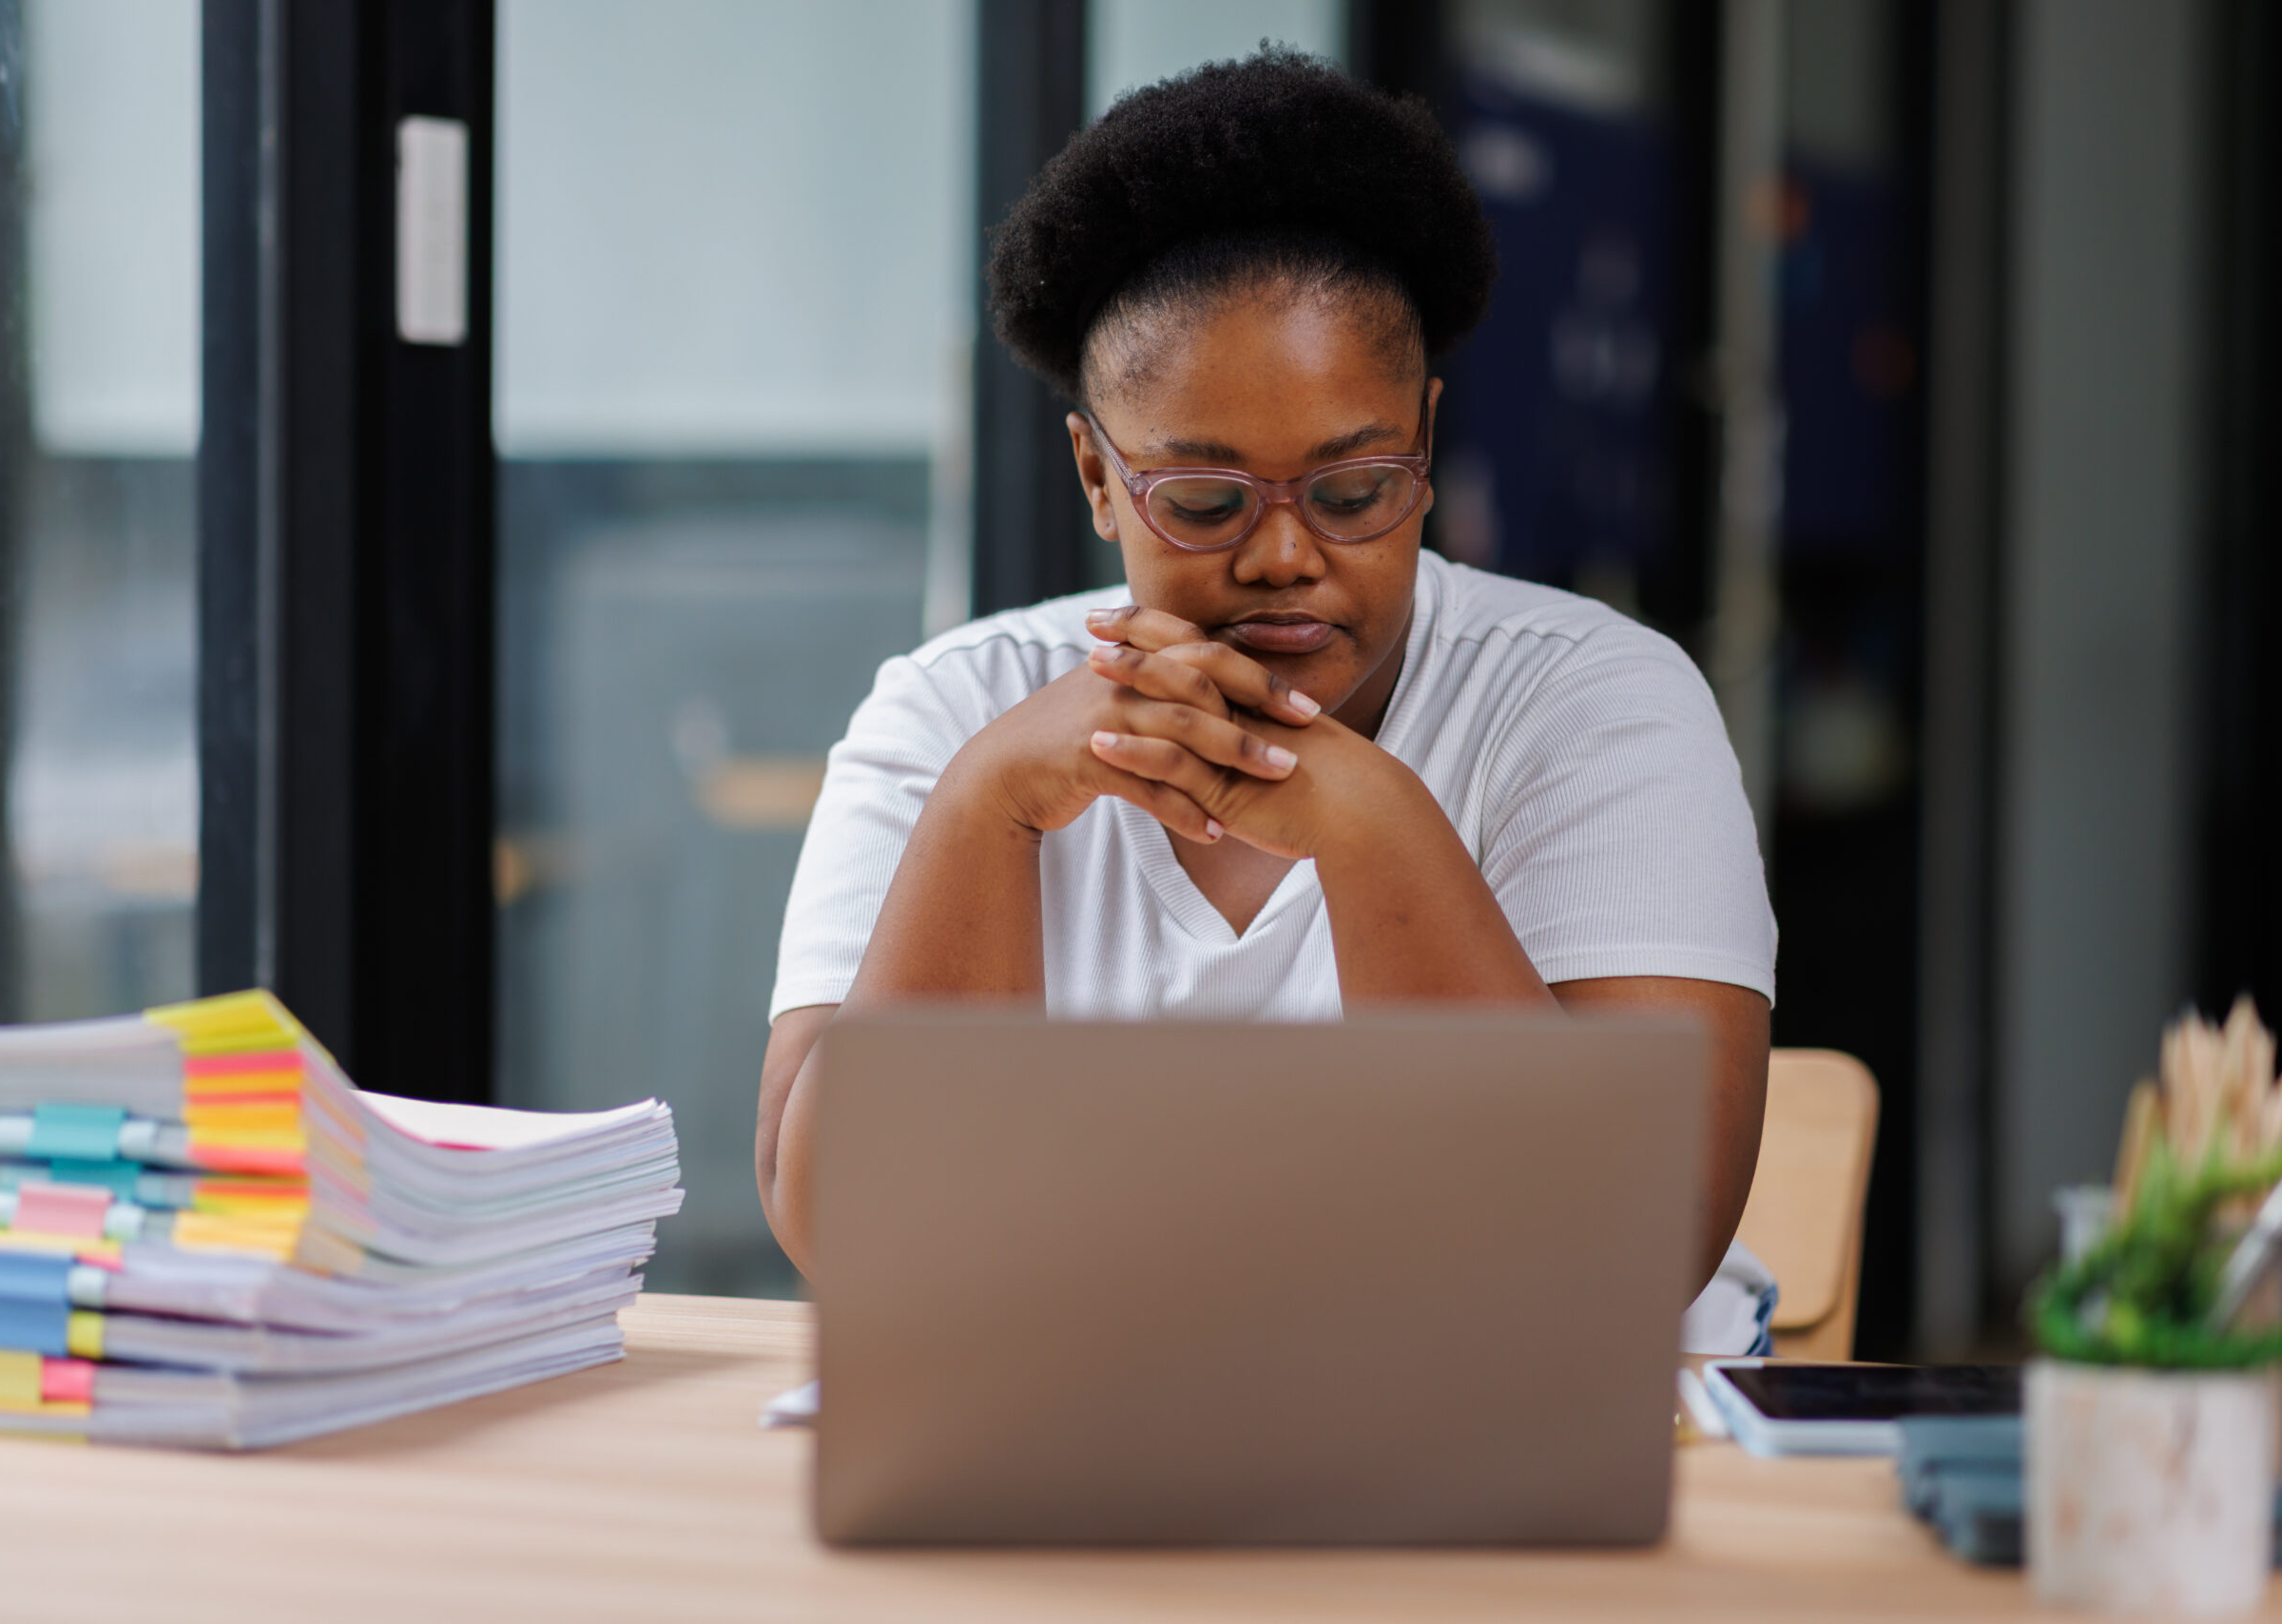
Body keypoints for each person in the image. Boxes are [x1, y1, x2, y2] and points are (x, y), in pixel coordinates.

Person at [758, 50, 1779, 1355]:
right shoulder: (956, 710)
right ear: (1097, 477)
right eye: (1204, 501)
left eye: (1355, 493)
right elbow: (861, 1243)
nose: (1286, 556)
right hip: (1086, 1439)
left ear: (1426, 446)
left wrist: (1365, 820)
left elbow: (1616, 1256)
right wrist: (981, 808)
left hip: (1516, 1442)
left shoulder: (1595, 707)